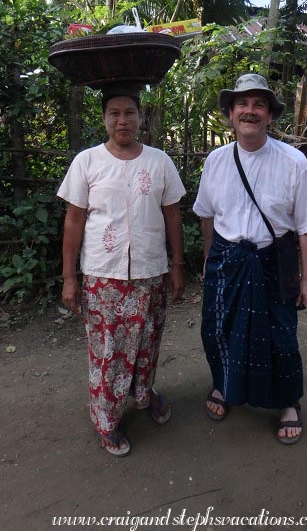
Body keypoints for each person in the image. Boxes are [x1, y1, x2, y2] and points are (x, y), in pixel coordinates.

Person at [193, 73, 307, 444]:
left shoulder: (294, 162)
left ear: (269, 115)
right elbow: (206, 216)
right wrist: (208, 258)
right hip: (226, 259)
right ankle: (224, 386)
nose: (249, 111)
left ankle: (288, 402)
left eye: (258, 104)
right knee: (219, 328)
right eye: (242, 104)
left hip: (273, 261)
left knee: (280, 335)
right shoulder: (216, 161)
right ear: (230, 113)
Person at [57, 91, 186, 456]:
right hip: (104, 275)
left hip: (151, 273)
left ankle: (143, 394)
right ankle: (106, 418)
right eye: (114, 113)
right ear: (103, 119)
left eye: (129, 112)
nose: (122, 121)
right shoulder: (87, 162)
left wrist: (177, 266)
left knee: (147, 343)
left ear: (140, 117)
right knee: (108, 351)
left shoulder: (159, 162)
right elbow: (74, 220)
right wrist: (69, 277)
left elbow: (173, 215)